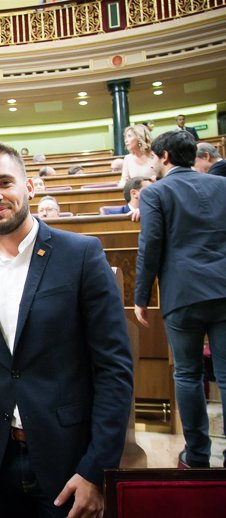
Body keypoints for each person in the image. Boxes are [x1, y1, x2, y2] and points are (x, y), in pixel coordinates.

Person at [0, 138, 133, 518]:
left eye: (5, 182)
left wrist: (96, 468)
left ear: (29, 186)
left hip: (69, 460)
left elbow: (114, 368)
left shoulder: (82, 254)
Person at [134, 130, 226, 469]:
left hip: (183, 294)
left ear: (165, 158)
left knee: (187, 375)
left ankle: (198, 456)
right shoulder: (223, 186)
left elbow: (151, 244)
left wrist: (141, 296)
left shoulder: (156, 192)